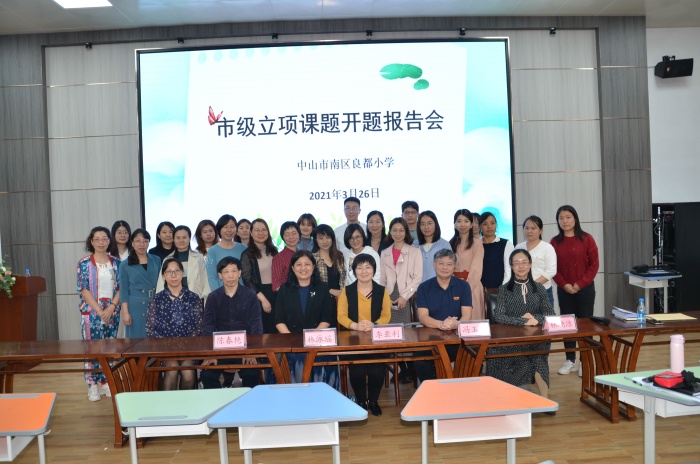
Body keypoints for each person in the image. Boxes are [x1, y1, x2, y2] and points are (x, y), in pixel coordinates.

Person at [488, 249, 555, 400]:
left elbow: (550, 314)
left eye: (524, 262)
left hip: (534, 339)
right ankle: (507, 396)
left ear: (530, 265)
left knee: (539, 358)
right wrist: (524, 320)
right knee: (505, 359)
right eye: (516, 263)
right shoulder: (504, 289)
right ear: (511, 266)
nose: (521, 266)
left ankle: (545, 399)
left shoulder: (539, 288)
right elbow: (499, 316)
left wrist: (536, 319)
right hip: (511, 339)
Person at [274, 250, 339, 388]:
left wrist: (312, 337)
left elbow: (327, 318)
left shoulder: (323, 288)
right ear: (292, 268)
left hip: (318, 340)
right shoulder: (284, 290)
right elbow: (279, 320)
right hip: (292, 342)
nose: (303, 268)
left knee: (324, 359)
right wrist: (291, 339)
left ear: (313, 267)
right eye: (299, 264)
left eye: (307, 264)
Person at [337, 253, 391, 416]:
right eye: (360, 267)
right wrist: (356, 326)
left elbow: (386, 315)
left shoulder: (382, 291)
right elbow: (341, 316)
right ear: (354, 271)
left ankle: (373, 401)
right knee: (357, 370)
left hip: (376, 338)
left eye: (368, 267)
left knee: (377, 369)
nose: (364, 271)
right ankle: (361, 400)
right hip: (353, 338)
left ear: (374, 270)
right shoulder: (347, 291)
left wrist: (375, 325)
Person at [550, 205, 599, 375]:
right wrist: (564, 285)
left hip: (585, 289)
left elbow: (594, 265)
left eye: (568, 217)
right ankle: (570, 360)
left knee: (585, 325)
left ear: (575, 219)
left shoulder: (587, 239)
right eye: (561, 218)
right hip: (564, 290)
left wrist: (579, 284)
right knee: (567, 326)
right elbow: (553, 268)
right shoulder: (554, 242)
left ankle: (585, 361)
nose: (565, 221)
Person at [201, 257, 262, 388]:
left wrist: (251, 352)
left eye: (234, 271)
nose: (230, 276)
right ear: (220, 275)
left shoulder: (250, 295)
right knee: (207, 375)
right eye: (226, 272)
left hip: (245, 348)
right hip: (220, 349)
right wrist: (211, 354)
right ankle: (220, 401)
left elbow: (256, 326)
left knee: (251, 374)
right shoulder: (213, 297)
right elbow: (207, 326)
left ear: (239, 273)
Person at [76, 226, 121, 402]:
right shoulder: (84, 263)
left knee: (109, 346)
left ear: (110, 241)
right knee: (92, 348)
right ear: (91, 241)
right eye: (97, 239)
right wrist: (100, 311)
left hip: (112, 310)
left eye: (104, 239)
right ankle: (92, 384)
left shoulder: (117, 263)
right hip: (92, 311)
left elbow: (121, 287)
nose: (101, 242)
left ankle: (105, 381)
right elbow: (83, 289)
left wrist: (111, 307)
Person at [414, 249, 472, 382]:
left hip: (457, 337)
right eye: (441, 263)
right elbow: (423, 317)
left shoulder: (463, 286)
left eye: (449, 264)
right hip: (431, 338)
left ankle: (460, 391)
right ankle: (433, 392)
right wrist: (441, 324)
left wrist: (456, 324)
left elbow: (467, 315)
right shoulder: (423, 287)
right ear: (434, 265)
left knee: (472, 356)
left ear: (454, 266)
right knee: (420, 361)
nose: (445, 267)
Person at [146, 258, 203, 390]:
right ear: (163, 276)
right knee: (171, 370)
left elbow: (199, 326)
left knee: (188, 372)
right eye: (169, 272)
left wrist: (187, 345)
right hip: (165, 349)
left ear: (182, 273)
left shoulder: (193, 298)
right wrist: (167, 346)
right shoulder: (157, 299)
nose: (173, 275)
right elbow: (150, 329)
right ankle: (168, 402)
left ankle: (185, 401)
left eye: (177, 271)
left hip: (189, 348)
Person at [119, 228, 160, 338]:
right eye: (138, 241)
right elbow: (123, 291)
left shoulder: (156, 260)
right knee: (136, 340)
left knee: (155, 339)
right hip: (135, 307)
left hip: (154, 303)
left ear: (149, 243)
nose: (142, 244)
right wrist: (125, 313)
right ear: (132, 243)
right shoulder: (125, 264)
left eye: (145, 241)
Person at [380, 218, 422, 324]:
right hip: (389, 297)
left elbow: (417, 278)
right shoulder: (384, 253)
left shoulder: (415, 251)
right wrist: (385, 298)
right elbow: (382, 279)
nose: (397, 234)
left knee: (407, 330)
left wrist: (404, 297)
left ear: (406, 232)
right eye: (394, 230)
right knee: (389, 329)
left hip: (407, 296)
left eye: (401, 230)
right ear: (390, 232)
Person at [241, 218, 279, 334]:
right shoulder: (247, 254)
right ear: (251, 233)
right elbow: (247, 280)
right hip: (258, 295)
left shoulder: (274, 251)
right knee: (263, 330)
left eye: (264, 230)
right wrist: (263, 300)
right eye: (257, 230)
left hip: (276, 294)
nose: (261, 233)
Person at [156, 225, 210, 301]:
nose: (181, 240)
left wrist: (205, 299)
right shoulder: (168, 259)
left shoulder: (198, 257)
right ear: (173, 239)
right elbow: (161, 283)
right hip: (172, 301)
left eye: (184, 237)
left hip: (195, 300)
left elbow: (205, 281)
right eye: (178, 238)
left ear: (189, 238)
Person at [449, 209, 485, 319]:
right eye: (459, 221)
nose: (462, 224)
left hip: (472, 287)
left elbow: (476, 269)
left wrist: (465, 289)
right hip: (453, 288)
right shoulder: (450, 243)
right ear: (454, 224)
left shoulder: (477, 243)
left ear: (471, 224)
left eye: (466, 221)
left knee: (473, 320)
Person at [515, 215, 557, 307]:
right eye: (527, 228)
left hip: (543, 292)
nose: (529, 231)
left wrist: (531, 285)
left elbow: (551, 271)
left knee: (544, 316)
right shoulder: (518, 247)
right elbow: (513, 268)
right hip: (521, 293)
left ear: (540, 230)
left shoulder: (547, 248)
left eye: (533, 228)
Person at [206, 214, 247, 291]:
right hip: (222, 293)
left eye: (232, 227)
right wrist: (219, 294)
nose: (229, 230)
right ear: (219, 229)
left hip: (243, 293)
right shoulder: (212, 251)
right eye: (225, 227)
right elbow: (212, 277)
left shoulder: (243, 248)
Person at [480, 211, 514, 292]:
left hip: (500, 290)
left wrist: (503, 290)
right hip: (480, 291)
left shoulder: (506, 244)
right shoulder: (476, 245)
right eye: (485, 224)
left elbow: (508, 271)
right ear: (480, 226)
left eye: (492, 223)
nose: (489, 226)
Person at [414, 211, 451, 282]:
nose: (426, 227)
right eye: (422, 224)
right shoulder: (414, 245)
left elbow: (449, 268)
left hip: (438, 286)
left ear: (435, 225)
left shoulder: (444, 245)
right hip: (418, 287)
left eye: (429, 223)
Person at [311, 224, 346, 299]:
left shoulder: (339, 256)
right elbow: (311, 282)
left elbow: (344, 278)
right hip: (320, 299)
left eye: (328, 237)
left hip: (339, 299)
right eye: (321, 238)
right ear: (316, 240)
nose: (325, 241)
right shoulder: (312, 258)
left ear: (332, 238)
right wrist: (330, 291)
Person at [271, 221, 301, 292]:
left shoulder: (304, 255)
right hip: (289, 295)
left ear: (299, 235)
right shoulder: (278, 258)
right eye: (287, 235)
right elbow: (276, 285)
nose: (291, 237)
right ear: (283, 237)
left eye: (294, 233)